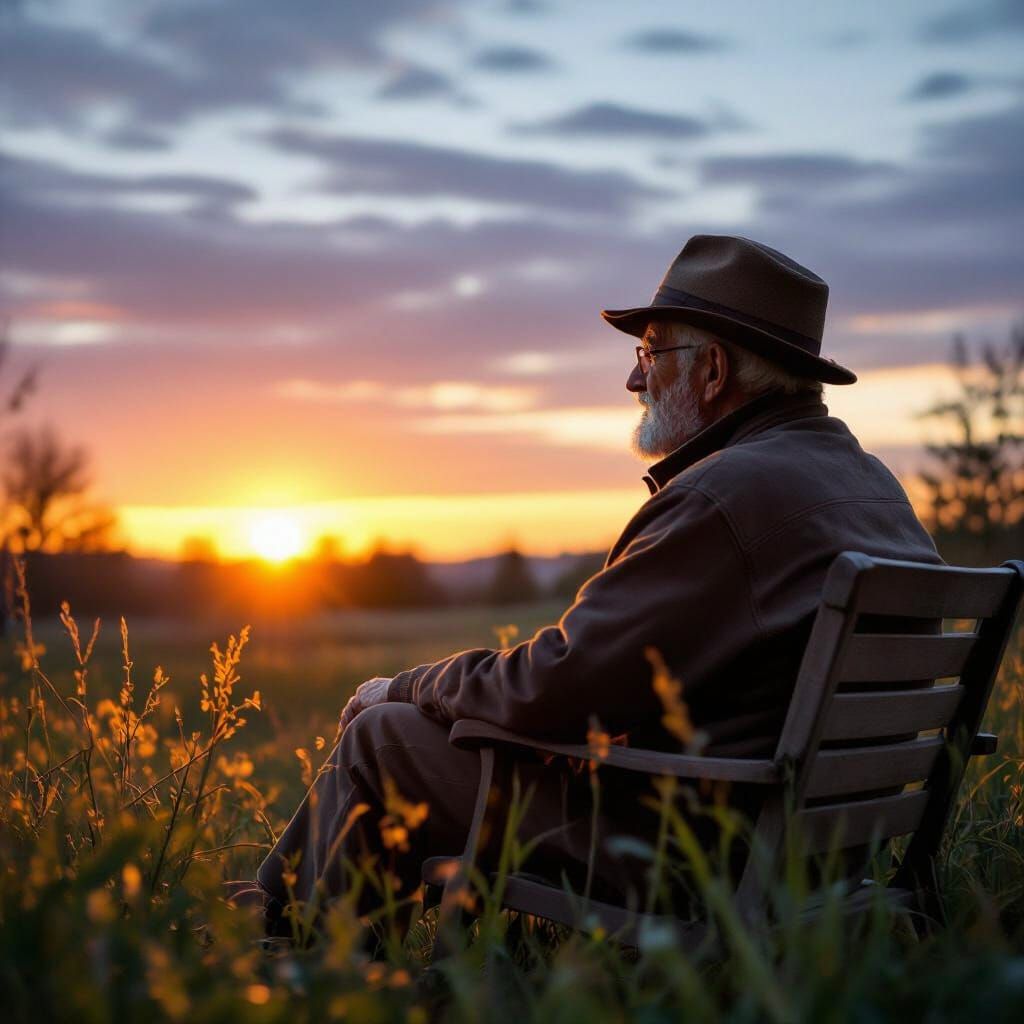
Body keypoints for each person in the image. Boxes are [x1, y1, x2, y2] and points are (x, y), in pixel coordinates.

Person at [253, 234, 940, 933]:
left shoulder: (724, 496)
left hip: (692, 859)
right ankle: (295, 934)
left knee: (385, 737)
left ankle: (293, 958)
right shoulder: (874, 488)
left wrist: (406, 687)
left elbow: (551, 688)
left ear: (712, 369)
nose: (635, 382)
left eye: (651, 354)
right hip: (817, 854)